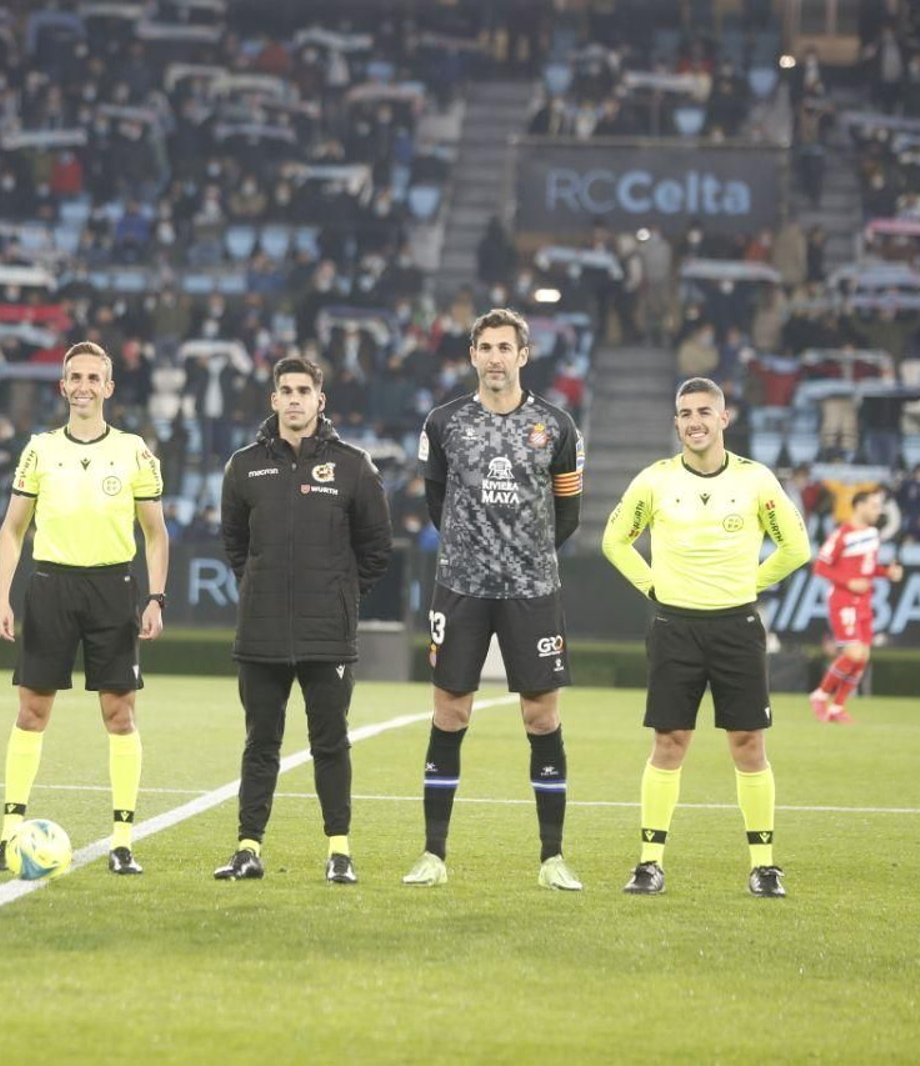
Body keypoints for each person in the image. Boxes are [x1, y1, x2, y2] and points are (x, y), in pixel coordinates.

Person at [602, 376, 811, 898]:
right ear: (676, 423)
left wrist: (750, 584)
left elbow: (795, 547)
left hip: (737, 626)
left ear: (724, 418)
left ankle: (764, 866)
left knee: (748, 743)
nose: (693, 421)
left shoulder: (755, 481)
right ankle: (650, 862)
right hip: (675, 627)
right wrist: (653, 584)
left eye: (703, 411)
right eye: (684, 413)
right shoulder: (654, 481)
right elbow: (615, 541)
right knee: (669, 743)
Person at [403, 308, 587, 892]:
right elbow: (435, 500)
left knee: (542, 717)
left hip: (533, 590)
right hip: (460, 588)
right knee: (449, 713)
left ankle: (552, 857)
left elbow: (568, 512)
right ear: (472, 355)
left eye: (505, 347)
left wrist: (523, 554)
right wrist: (473, 549)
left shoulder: (557, 426)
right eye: (485, 347)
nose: (495, 357)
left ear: (523, 355)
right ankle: (433, 855)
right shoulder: (444, 422)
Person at [0, 341, 169, 876]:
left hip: (113, 589)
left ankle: (123, 841)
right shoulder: (40, 450)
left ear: (108, 387)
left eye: (93, 377)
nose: (83, 385)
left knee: (119, 714)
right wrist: (2, 598)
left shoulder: (135, 451)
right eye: (74, 377)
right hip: (50, 587)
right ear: (62, 386)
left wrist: (155, 597)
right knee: (31, 712)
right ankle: (7, 838)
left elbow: (155, 535)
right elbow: (13, 530)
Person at [215, 355, 392, 884]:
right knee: (259, 744)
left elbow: (376, 548)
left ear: (320, 400)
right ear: (274, 400)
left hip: (327, 635)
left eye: (303, 390)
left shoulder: (354, 465)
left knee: (330, 744)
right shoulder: (244, 466)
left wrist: (339, 595)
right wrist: (260, 587)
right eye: (285, 390)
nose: (294, 399)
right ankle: (248, 849)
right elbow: (235, 546)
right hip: (262, 632)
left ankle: (339, 852)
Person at [810, 488, 902, 724]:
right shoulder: (842, 533)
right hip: (842, 600)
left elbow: (868, 569)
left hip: (864, 602)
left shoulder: (872, 534)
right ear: (859, 506)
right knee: (853, 652)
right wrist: (848, 581)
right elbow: (820, 566)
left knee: (863, 656)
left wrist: (886, 572)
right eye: (873, 506)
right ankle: (820, 695)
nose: (878, 510)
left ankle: (837, 707)